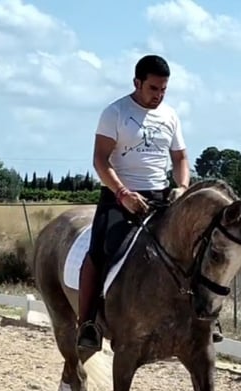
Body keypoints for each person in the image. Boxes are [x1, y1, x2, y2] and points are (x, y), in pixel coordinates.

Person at [77, 54, 222, 351]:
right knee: (101, 252)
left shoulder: (169, 116)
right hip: (120, 196)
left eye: (163, 89)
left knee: (197, 249)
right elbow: (100, 160)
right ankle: (88, 322)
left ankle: (205, 316)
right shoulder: (115, 112)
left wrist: (182, 188)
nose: (158, 95)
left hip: (161, 196)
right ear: (137, 83)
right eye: (153, 88)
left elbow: (180, 158)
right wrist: (123, 194)